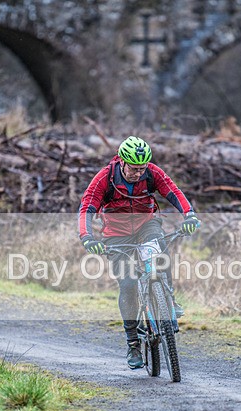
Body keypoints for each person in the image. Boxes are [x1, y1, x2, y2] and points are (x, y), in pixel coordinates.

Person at [77, 136, 201, 369]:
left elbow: (173, 192)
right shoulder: (105, 177)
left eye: (142, 168)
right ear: (122, 162)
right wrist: (87, 237)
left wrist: (189, 215)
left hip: (146, 225)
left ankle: (169, 300)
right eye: (133, 169)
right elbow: (87, 207)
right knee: (128, 284)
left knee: (159, 249)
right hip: (116, 234)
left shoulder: (152, 173)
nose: (138, 173)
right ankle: (133, 342)